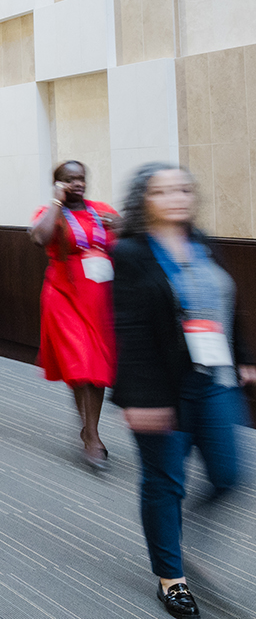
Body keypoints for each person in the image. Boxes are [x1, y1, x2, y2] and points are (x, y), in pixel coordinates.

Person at [111, 163, 255, 618]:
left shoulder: (201, 240)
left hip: (213, 380)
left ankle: (176, 532)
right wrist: (141, 398)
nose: (177, 197)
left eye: (183, 189)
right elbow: (130, 331)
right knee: (164, 482)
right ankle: (171, 578)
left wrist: (245, 355)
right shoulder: (131, 253)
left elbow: (226, 304)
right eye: (163, 191)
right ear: (144, 200)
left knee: (229, 476)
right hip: (161, 388)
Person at [29, 161, 119, 469]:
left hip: (100, 300)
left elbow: (131, 239)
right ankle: (92, 437)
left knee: (99, 369)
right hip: (64, 297)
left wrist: (121, 226)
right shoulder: (50, 213)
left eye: (81, 178)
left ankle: (88, 428)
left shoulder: (101, 210)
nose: (77, 184)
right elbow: (40, 238)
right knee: (81, 364)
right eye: (69, 180)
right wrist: (57, 200)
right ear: (58, 183)